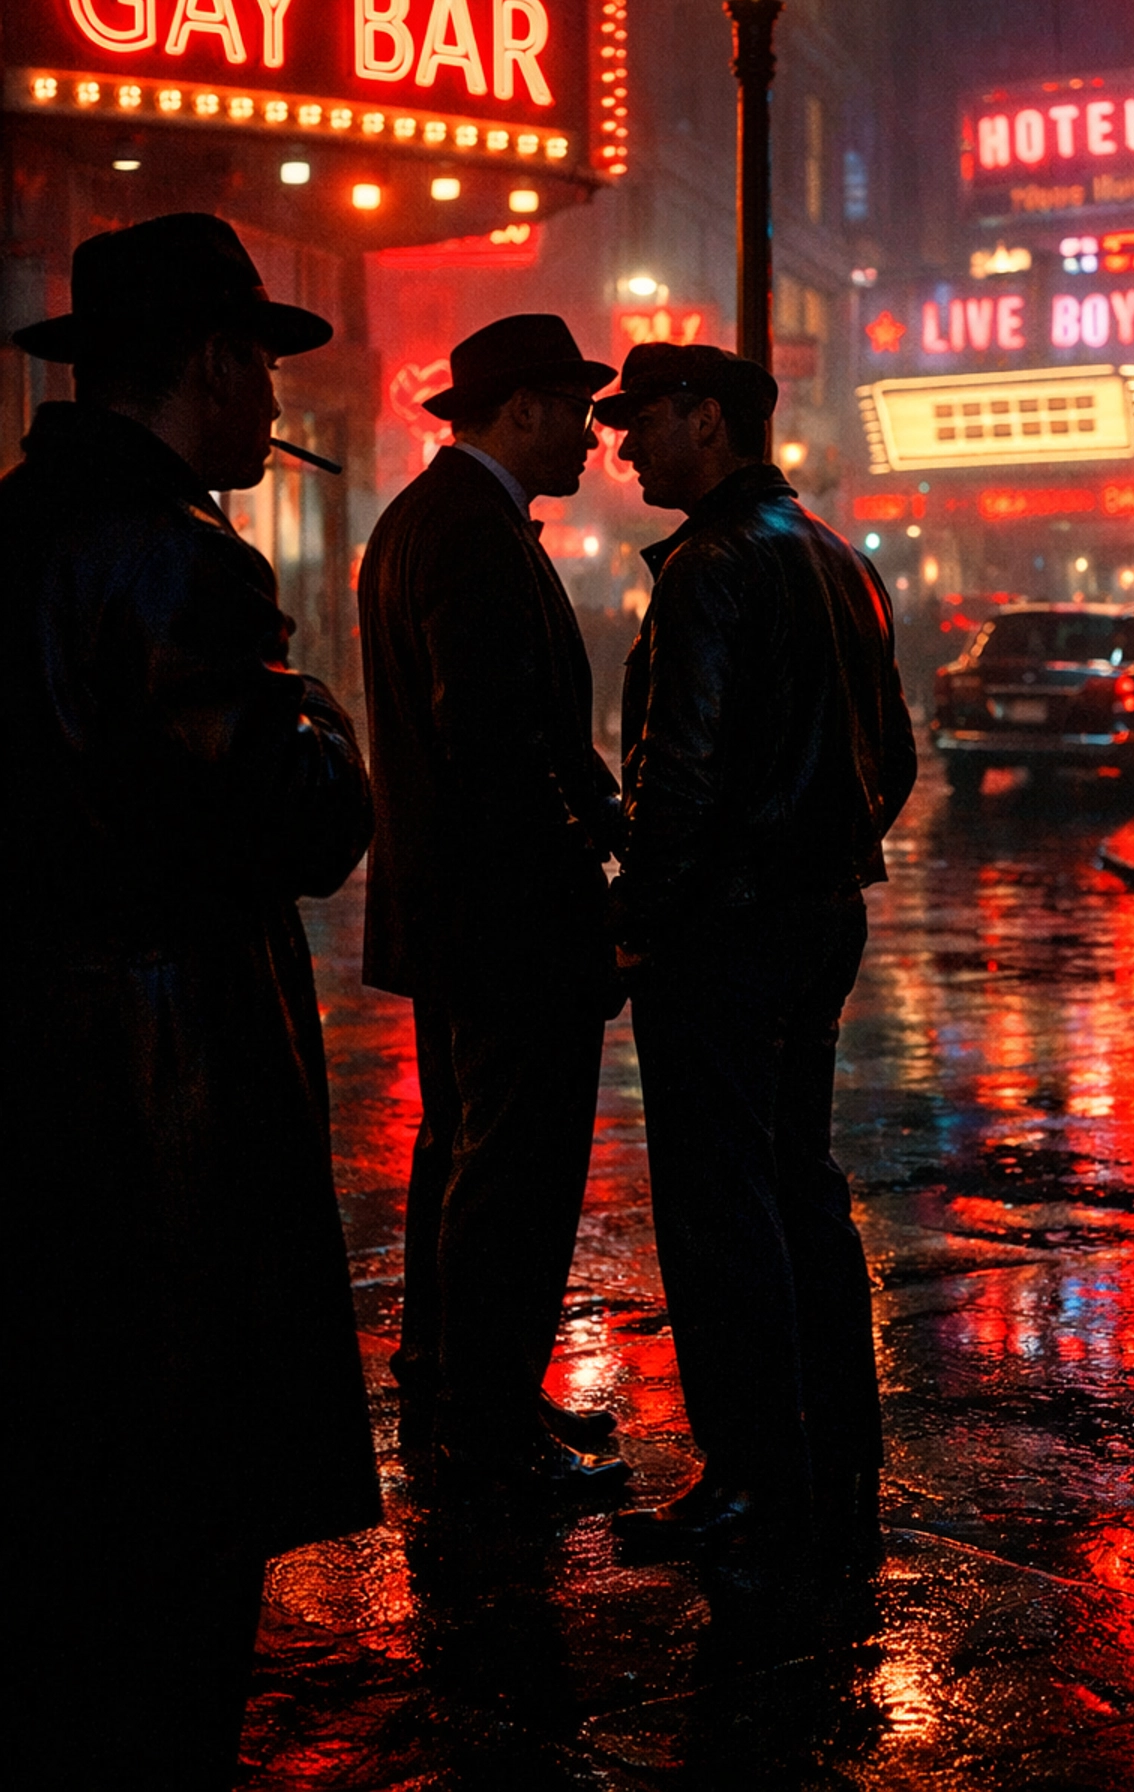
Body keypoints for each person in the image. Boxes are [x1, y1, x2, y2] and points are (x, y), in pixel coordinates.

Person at [1, 214, 379, 1791]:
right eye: (263, 371)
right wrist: (327, 725)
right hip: (164, 1099)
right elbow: (299, 824)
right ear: (215, 366)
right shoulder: (183, 560)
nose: (275, 408)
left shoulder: (13, 529)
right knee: (176, 1537)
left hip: (31, 1089)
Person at [603, 342, 917, 1579]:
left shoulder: (712, 566)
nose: (626, 443)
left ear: (708, 419)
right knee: (798, 1181)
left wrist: (638, 916)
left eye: (643, 419)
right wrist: (823, 854)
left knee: (720, 1202)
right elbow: (891, 757)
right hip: (816, 917)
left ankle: (747, 1472)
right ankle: (834, 1446)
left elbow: (678, 778)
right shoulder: (840, 558)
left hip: (722, 933)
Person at [359, 313, 630, 1498]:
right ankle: (489, 1423)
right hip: (508, 920)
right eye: (576, 412)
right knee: (513, 1173)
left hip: (457, 914)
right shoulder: (472, 532)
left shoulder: (429, 518)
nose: (591, 438)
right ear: (521, 409)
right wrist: (587, 881)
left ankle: (459, 1388)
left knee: (462, 1156)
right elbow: (496, 747)